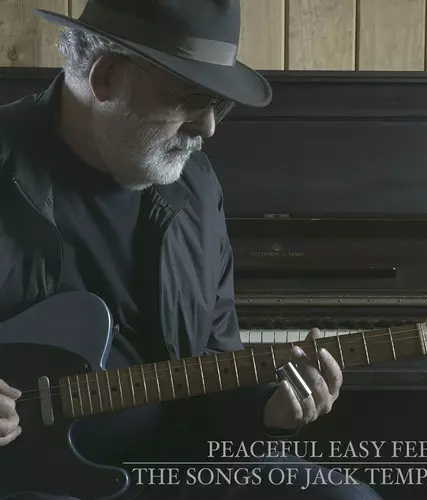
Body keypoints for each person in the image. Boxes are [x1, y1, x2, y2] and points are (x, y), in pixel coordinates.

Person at [0, 1, 383, 499]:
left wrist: (267, 411)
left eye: (218, 104)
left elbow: (216, 360)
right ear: (107, 77)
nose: (208, 127)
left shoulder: (196, 186)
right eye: (192, 99)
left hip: (184, 465)